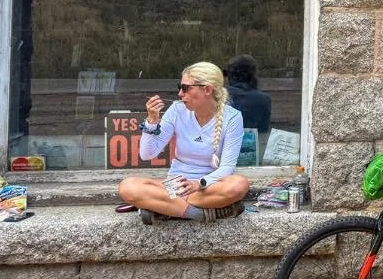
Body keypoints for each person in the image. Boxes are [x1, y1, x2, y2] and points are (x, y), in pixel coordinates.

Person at [116, 61, 250, 224]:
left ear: (207, 89)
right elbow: (147, 154)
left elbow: (227, 168)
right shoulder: (177, 110)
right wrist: (151, 121)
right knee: (127, 186)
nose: (180, 93)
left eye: (185, 88)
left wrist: (198, 184)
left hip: (208, 186)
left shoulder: (232, 117)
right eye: (179, 87)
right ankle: (199, 213)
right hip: (175, 186)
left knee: (238, 184)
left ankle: (166, 208)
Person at [223, 54, 272, 134]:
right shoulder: (264, 99)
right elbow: (263, 130)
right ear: (253, 74)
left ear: (230, 74)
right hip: (252, 144)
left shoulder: (217, 96)